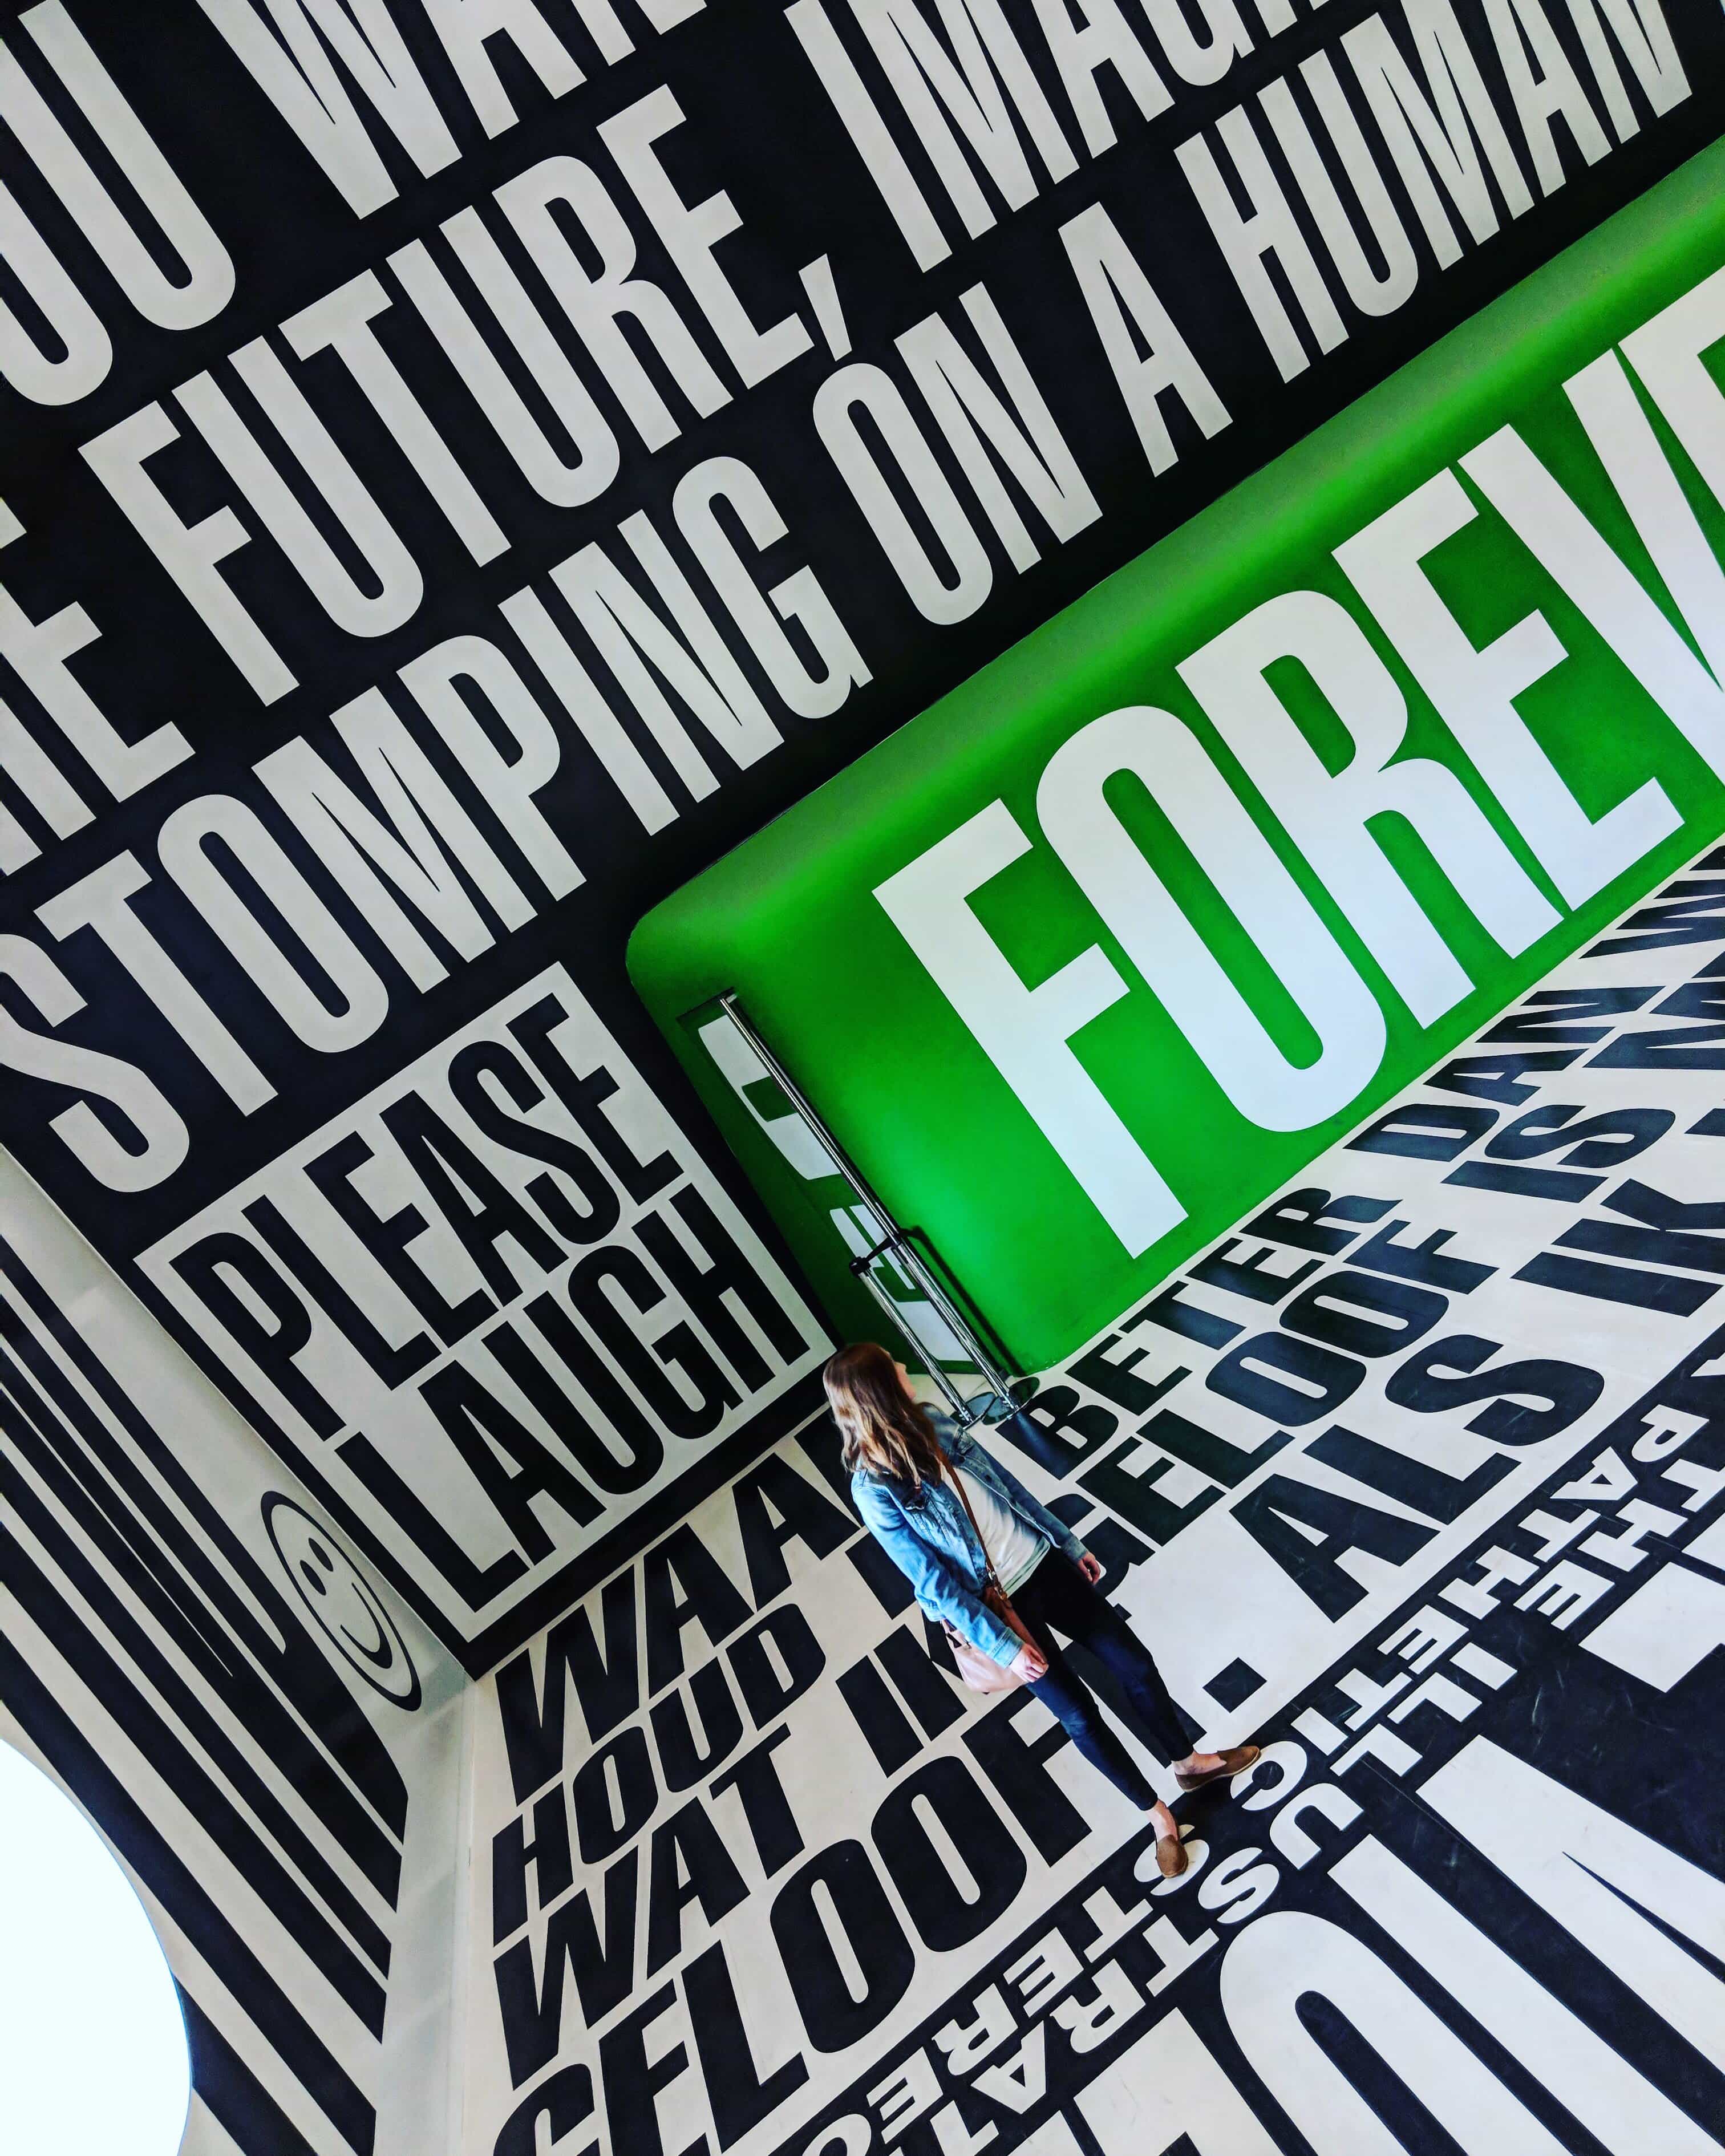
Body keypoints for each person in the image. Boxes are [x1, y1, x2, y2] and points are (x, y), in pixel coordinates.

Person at [827, 1342, 1258, 1877]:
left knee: (1135, 1664)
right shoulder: (874, 1489)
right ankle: (1157, 1817)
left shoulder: (933, 1421)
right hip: (1002, 1611)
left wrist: (1066, 1543)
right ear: (878, 1391)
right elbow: (932, 1583)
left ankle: (1189, 1764)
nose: (902, 1366)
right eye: (892, 1365)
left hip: (1043, 1564)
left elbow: (1006, 1487)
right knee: (1079, 1715)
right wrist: (1003, 1646)